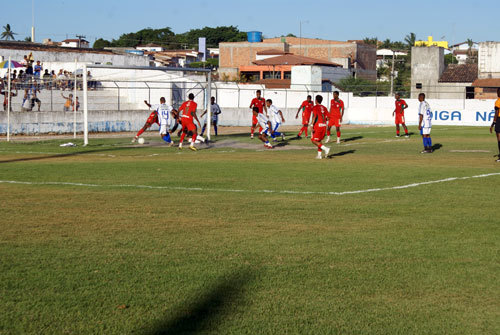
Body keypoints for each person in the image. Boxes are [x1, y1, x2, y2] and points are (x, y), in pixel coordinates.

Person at [311, 95, 331, 159]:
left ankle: (326, 149)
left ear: (316, 100)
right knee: (319, 140)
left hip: (318, 126)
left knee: (313, 140)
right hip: (324, 126)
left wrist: (311, 125)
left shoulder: (315, 107)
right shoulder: (324, 107)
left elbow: (314, 116)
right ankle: (319, 155)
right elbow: (328, 118)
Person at [490, 88, 500, 162]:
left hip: (499, 120)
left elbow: (496, 113)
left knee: (499, 139)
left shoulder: (498, 101)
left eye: (497, 92)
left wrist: (493, 123)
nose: (497, 93)